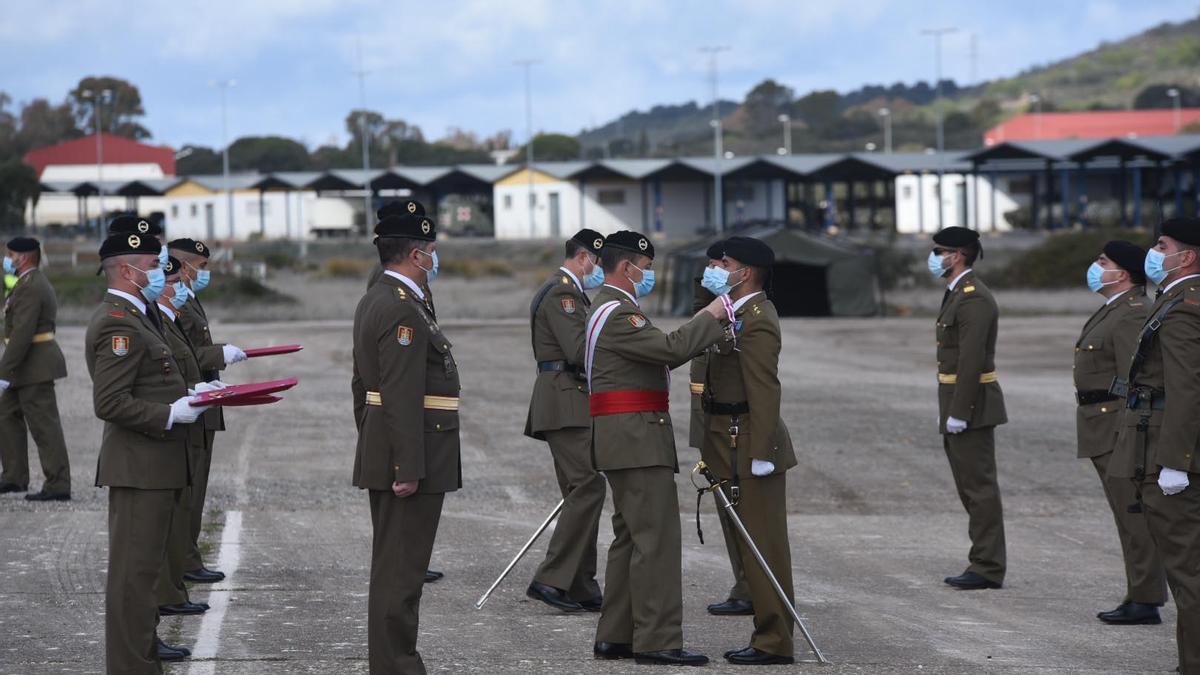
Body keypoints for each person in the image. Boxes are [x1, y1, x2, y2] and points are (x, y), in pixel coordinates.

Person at [588, 230, 727, 666]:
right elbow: (671, 349)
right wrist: (713, 313)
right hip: (636, 438)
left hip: (623, 437)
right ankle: (657, 640)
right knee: (657, 541)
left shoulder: (604, 308)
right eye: (645, 269)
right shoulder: (618, 314)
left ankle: (617, 634)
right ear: (627, 267)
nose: (648, 276)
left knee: (630, 538)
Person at [87, 232, 211, 670]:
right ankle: (131, 665)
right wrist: (170, 414)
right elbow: (110, 402)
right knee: (133, 579)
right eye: (153, 264)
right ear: (127, 270)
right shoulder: (118, 323)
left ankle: (143, 658)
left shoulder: (142, 316)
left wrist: (196, 396)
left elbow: (155, 381)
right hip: (138, 468)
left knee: (145, 576)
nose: (161, 272)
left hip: (157, 466)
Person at [352, 209, 462, 673]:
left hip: (401, 449)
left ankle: (393, 662)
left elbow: (363, 390)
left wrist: (376, 441)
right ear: (417, 254)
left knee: (398, 571)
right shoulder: (399, 306)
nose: (435, 258)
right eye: (432, 251)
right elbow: (397, 394)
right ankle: (396, 665)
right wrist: (406, 466)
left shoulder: (385, 297)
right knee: (401, 575)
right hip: (413, 457)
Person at [699, 236, 798, 665]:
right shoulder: (732, 312)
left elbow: (764, 386)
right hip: (727, 438)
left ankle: (774, 641)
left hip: (750, 441)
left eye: (726, 262)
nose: (717, 267)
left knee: (764, 546)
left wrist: (762, 450)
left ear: (748, 271)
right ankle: (766, 632)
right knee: (747, 543)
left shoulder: (757, 316)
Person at [1111, 218, 1200, 673]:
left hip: (1172, 448)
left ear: (1186, 257)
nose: (1154, 252)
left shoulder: (1184, 306)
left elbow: (1186, 387)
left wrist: (1174, 462)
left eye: (1162, 245)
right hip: (1162, 438)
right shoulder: (1178, 298)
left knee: (1187, 571)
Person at [1075, 241, 1165, 625]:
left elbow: (1137, 378)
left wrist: (1129, 428)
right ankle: (1139, 593)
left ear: (1123, 272)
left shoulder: (1131, 313)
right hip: (1101, 422)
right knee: (1126, 513)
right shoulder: (1113, 308)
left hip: (1117, 426)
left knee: (1134, 514)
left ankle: (1145, 599)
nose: (1095, 266)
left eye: (1102, 261)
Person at [524, 228, 607, 612]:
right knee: (587, 488)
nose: (600, 270)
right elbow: (577, 349)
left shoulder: (570, 290)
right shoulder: (563, 293)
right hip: (565, 398)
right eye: (599, 262)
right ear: (585, 257)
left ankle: (580, 583)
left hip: (568, 398)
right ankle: (551, 579)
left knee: (580, 490)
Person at [929, 226, 1007, 590]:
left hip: (971, 405)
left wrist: (960, 411)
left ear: (957, 254)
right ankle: (983, 559)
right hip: (957, 401)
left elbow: (971, 360)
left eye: (939, 251)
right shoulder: (958, 293)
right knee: (969, 487)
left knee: (979, 488)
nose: (934, 257)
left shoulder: (973, 297)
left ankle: (988, 565)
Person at [153, 256, 231, 621]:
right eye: (175, 279)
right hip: (167, 427)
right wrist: (184, 396)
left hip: (188, 414)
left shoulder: (166, 317)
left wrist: (196, 387)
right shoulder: (152, 320)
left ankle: (174, 585)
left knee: (186, 505)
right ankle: (169, 591)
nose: (183, 284)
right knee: (171, 515)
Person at [168, 237, 247, 584]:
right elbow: (183, 355)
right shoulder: (176, 301)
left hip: (204, 397)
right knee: (189, 490)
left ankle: (188, 555)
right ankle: (184, 560)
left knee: (197, 489)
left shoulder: (187, 297)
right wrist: (220, 354)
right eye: (201, 267)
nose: (205, 273)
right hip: (191, 400)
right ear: (184, 267)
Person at [691, 239, 753, 618]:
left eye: (721, 263)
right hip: (708, 422)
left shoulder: (746, 313)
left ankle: (752, 585)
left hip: (734, 427)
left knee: (742, 508)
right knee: (727, 509)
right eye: (710, 263)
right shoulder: (711, 307)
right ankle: (743, 583)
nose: (713, 269)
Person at [0, 236, 71, 500]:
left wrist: (4, 373)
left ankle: (58, 484)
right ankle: (14, 477)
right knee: (6, 415)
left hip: (35, 366)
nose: (7, 259)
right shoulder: (26, 282)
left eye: (11, 254)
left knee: (43, 425)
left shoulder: (31, 285)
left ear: (24, 257)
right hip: (26, 365)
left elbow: (22, 334)